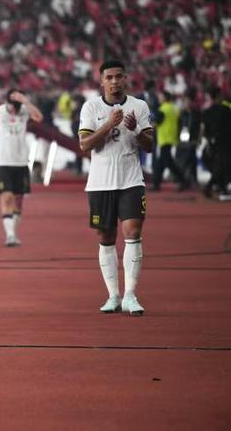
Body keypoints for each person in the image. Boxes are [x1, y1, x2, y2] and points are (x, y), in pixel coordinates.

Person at [78, 60, 154, 316]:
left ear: (125, 78)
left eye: (118, 76)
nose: (114, 81)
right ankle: (113, 295)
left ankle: (131, 294)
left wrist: (136, 130)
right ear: (101, 81)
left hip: (131, 180)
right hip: (100, 183)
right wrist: (108, 124)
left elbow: (150, 145)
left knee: (133, 231)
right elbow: (85, 145)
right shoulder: (91, 107)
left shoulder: (139, 106)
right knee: (106, 237)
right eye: (109, 77)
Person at [0, 88, 43, 246]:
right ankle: (10, 235)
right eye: (12, 106)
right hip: (4, 161)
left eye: (17, 107)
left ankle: (13, 233)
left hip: (21, 161)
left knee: (18, 200)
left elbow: (39, 118)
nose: (14, 110)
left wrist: (26, 102)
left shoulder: (25, 110)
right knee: (7, 197)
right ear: (7, 102)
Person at [153, 91, 187, 191]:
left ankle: (183, 180)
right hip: (172, 137)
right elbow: (180, 123)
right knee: (162, 162)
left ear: (164, 98)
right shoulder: (174, 109)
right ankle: (156, 183)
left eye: (160, 96)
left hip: (164, 138)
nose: (159, 98)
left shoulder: (162, 109)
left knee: (169, 162)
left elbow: (156, 123)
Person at [202, 87, 231, 198]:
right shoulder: (226, 110)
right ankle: (210, 186)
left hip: (212, 142)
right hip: (225, 142)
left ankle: (221, 187)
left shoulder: (207, 112)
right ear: (219, 96)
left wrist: (210, 141)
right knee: (223, 166)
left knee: (219, 165)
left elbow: (205, 131)